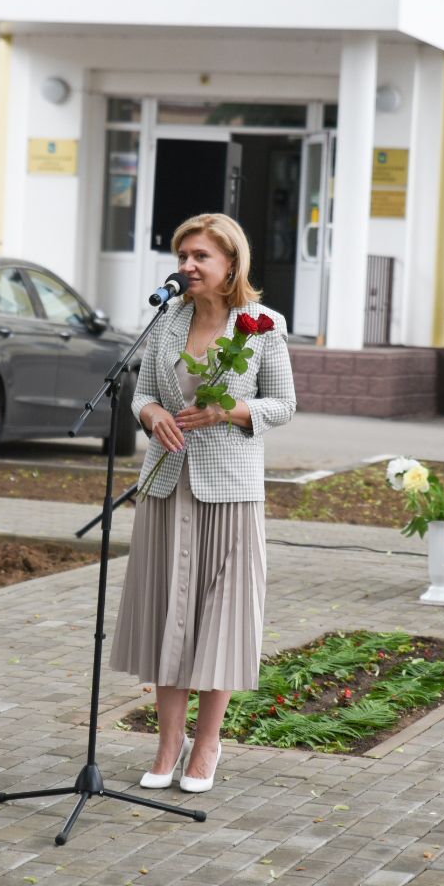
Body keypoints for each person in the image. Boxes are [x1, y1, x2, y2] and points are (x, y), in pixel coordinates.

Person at [109, 212, 296, 794]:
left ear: (231, 263)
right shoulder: (167, 319)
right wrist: (151, 414)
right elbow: (142, 392)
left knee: (222, 619)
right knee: (167, 612)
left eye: (200, 256)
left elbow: (283, 404)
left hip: (230, 491)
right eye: (182, 255)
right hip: (166, 485)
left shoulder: (262, 326)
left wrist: (229, 410)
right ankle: (168, 744)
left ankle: (208, 743)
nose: (187, 265)